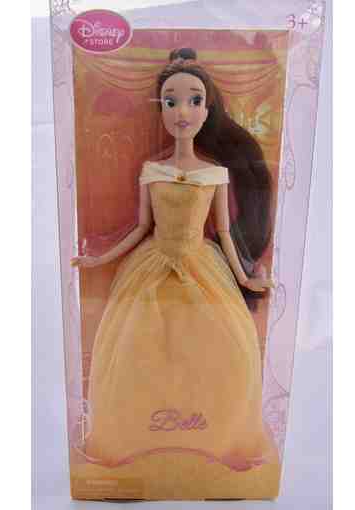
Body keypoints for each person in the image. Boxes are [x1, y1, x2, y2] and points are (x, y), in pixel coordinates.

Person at [70, 48, 278, 472]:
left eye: (194, 100)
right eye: (171, 101)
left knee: (215, 353)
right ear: (161, 108)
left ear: (208, 109)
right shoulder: (152, 170)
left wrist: (245, 278)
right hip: (151, 268)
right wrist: (98, 259)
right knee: (140, 351)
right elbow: (140, 228)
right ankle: (138, 436)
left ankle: (216, 439)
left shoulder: (215, 174)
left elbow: (223, 232)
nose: (183, 111)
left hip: (204, 270)